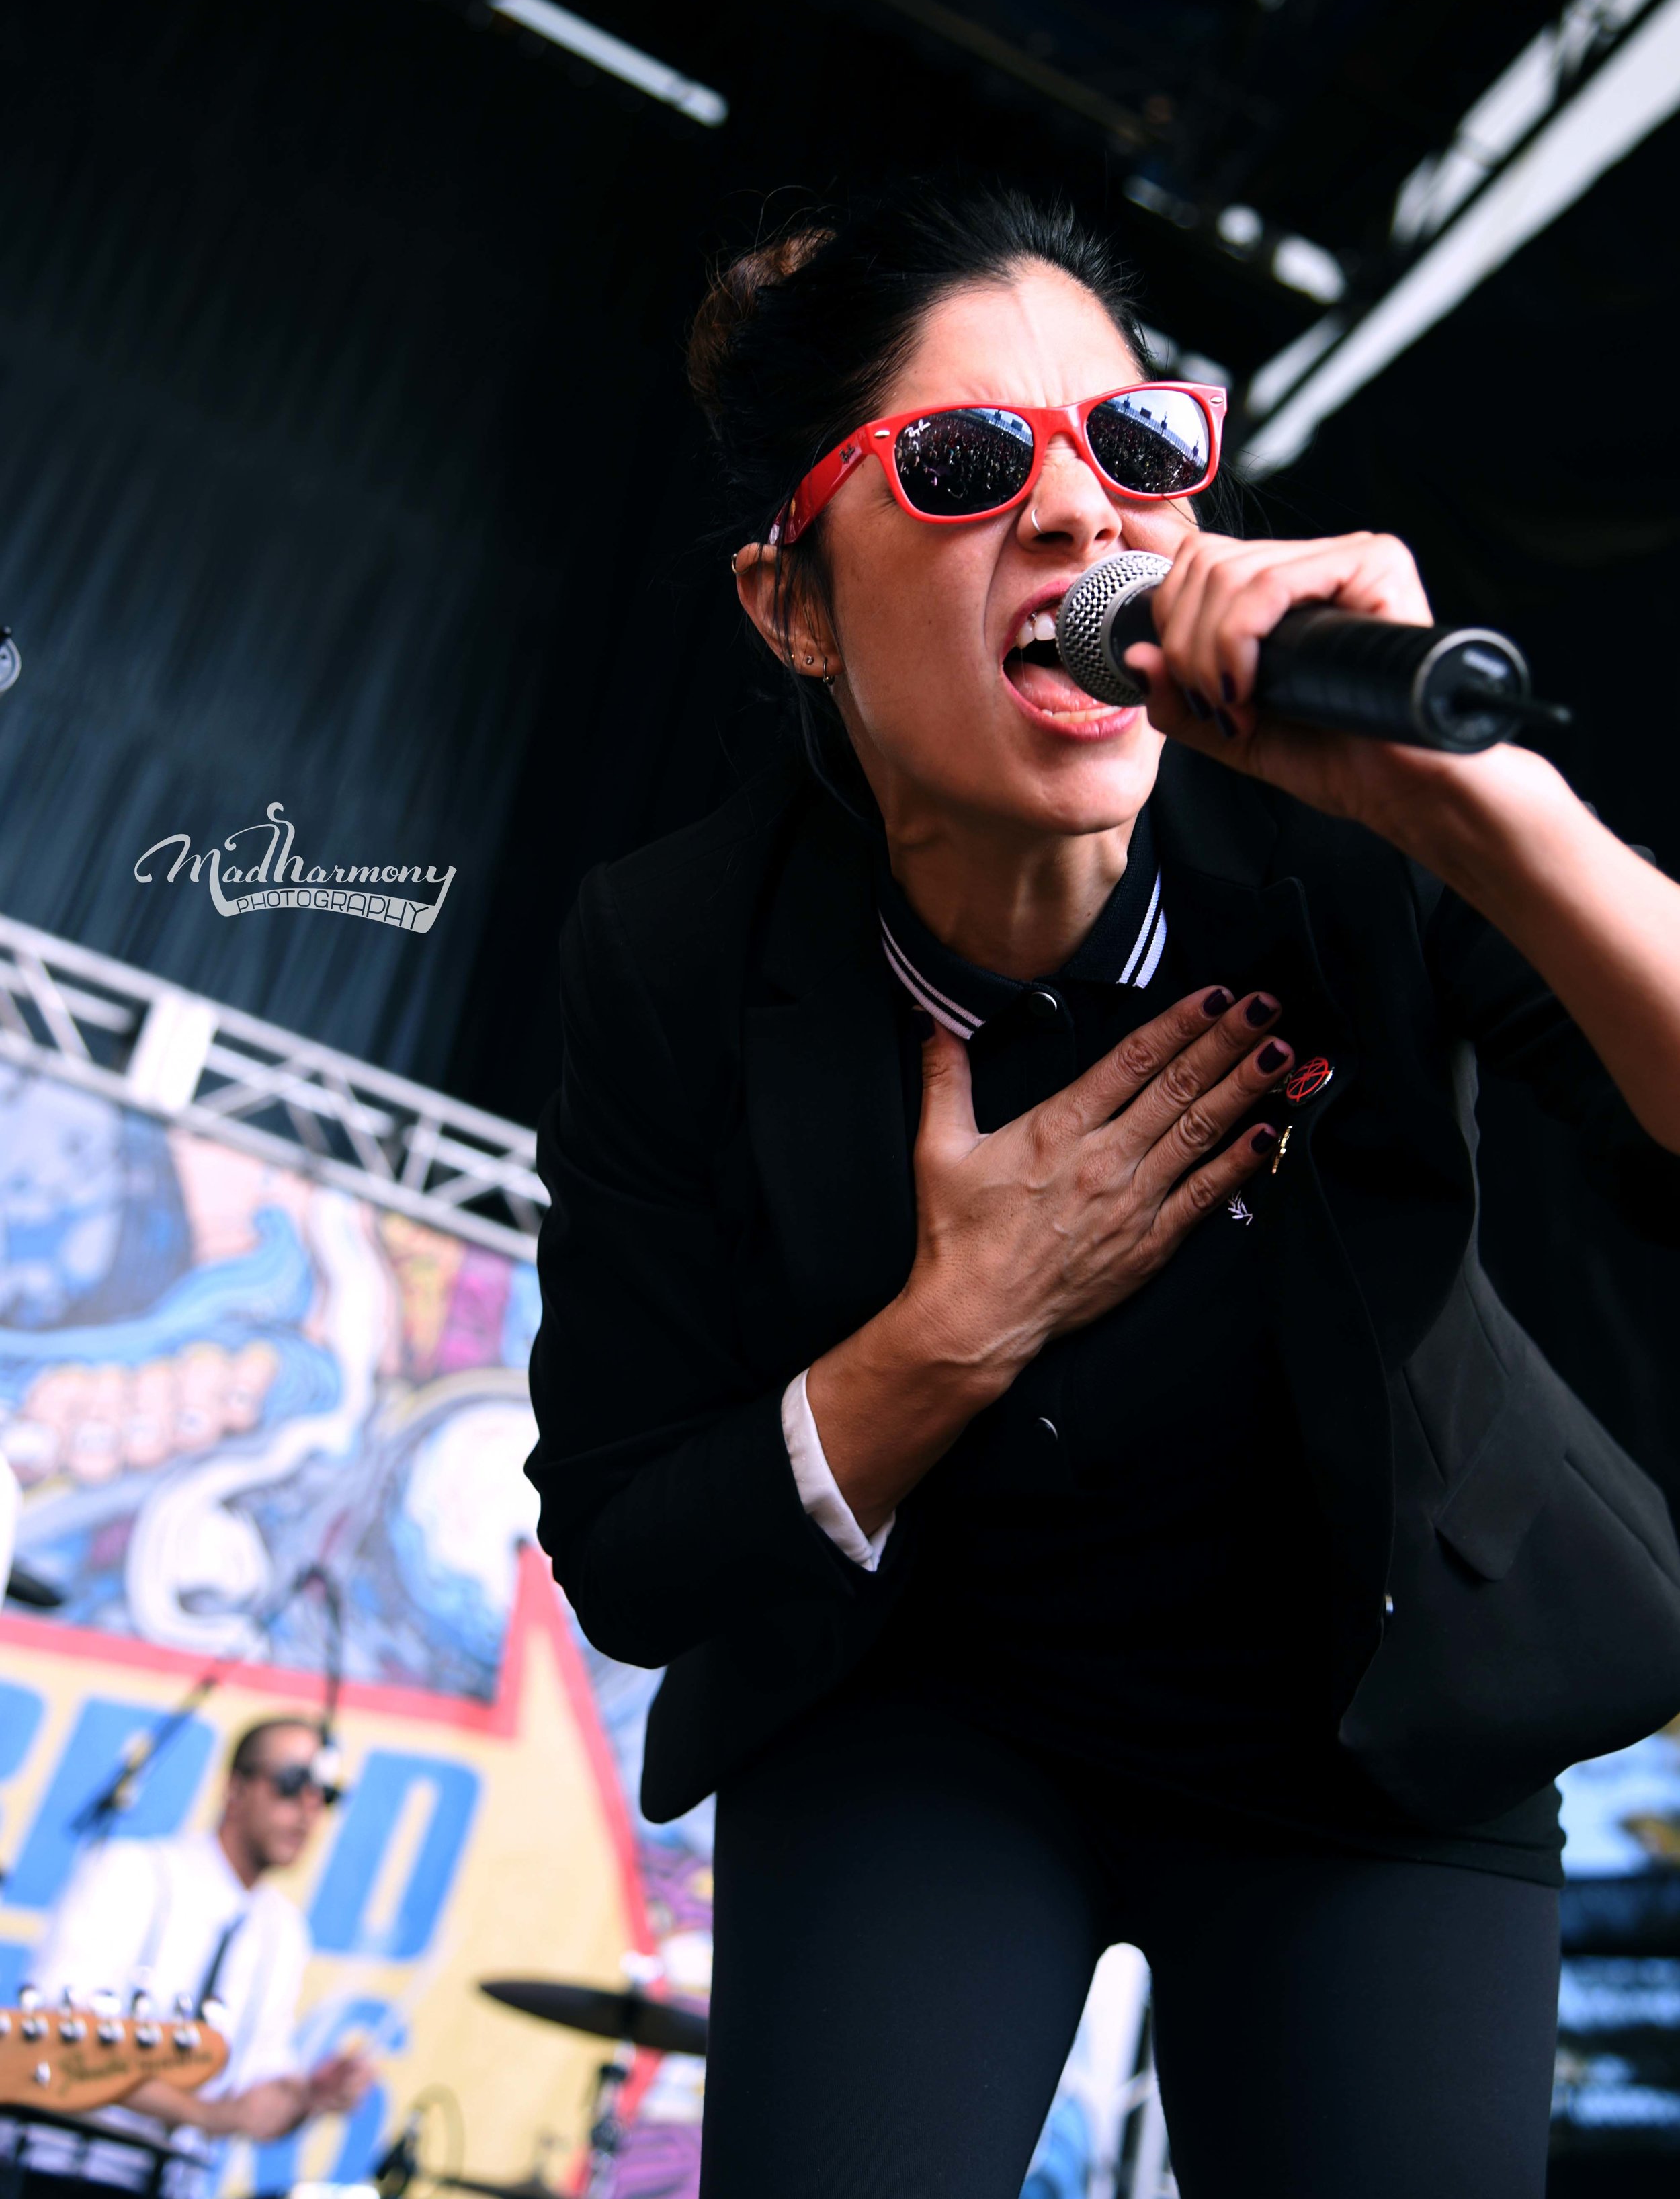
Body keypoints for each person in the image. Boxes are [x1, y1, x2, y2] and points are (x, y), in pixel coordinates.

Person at [524, 183, 1680, 2199]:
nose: (1074, 518)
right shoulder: (674, 953)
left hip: (1368, 1720)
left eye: (1131, 444)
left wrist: (1469, 805)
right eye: (966, 467)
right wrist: (944, 1335)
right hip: (926, 1715)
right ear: (790, 607)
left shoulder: (1342, 833)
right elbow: (632, 1547)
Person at [5, 1718, 374, 2199]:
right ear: (235, 1787)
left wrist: (307, 2098)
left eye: (325, 1795)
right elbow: (51, 2041)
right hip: (51, 2172)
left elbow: (256, 2094)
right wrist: (209, 2115)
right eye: (291, 1784)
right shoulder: (131, 1872)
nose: (307, 1809)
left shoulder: (285, 1933)